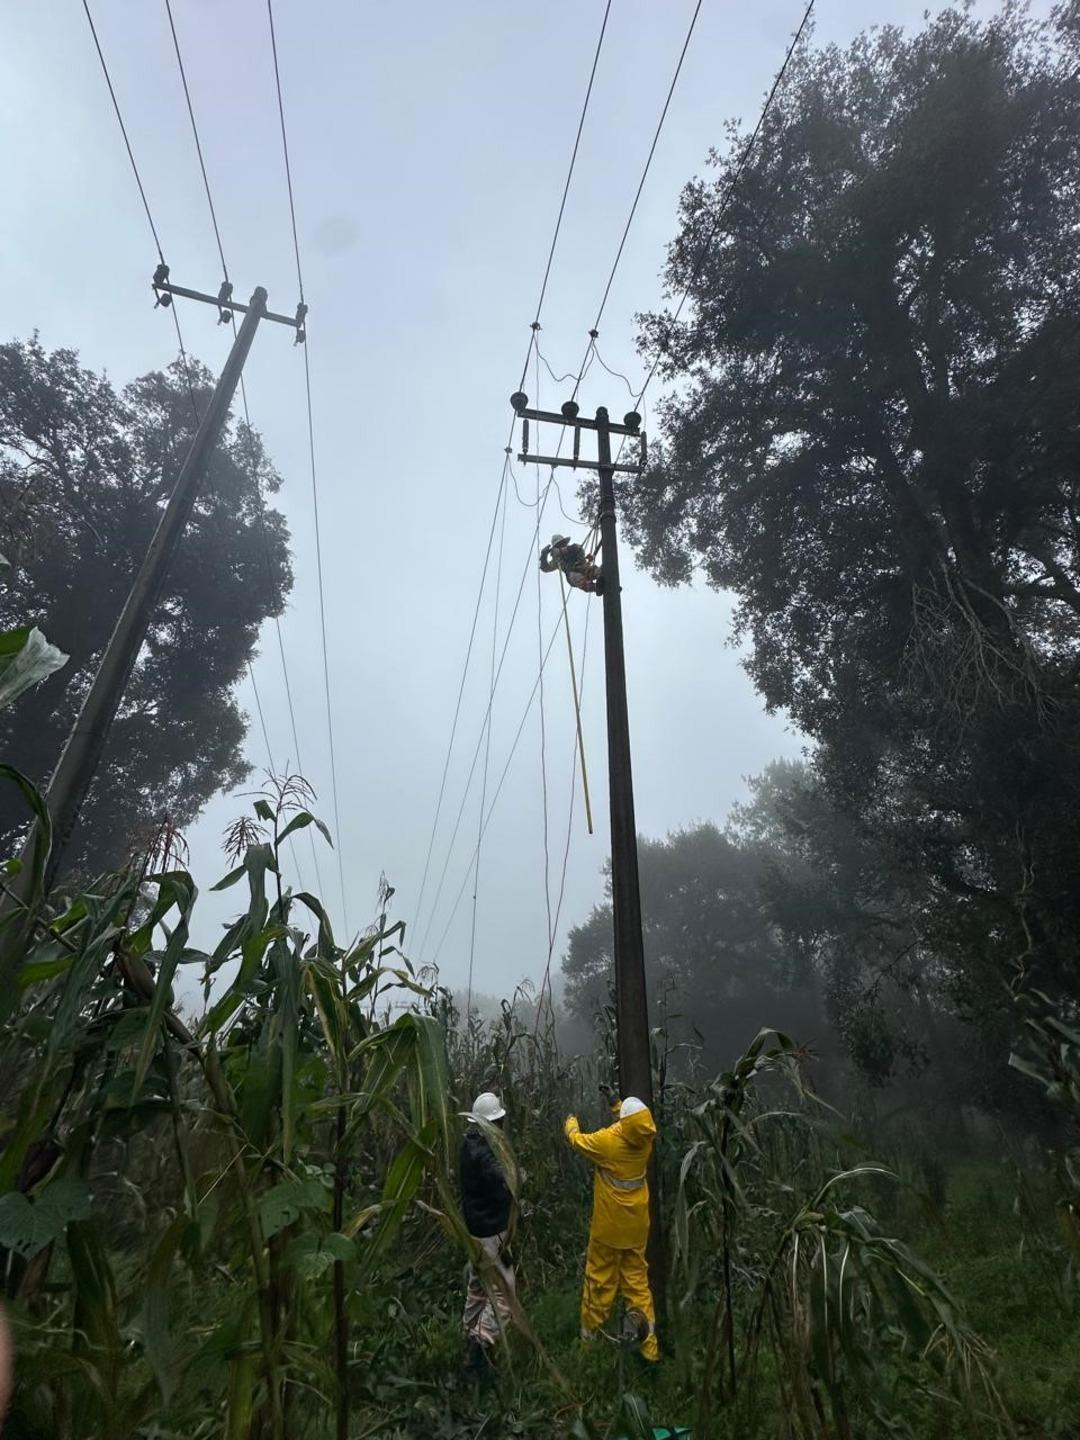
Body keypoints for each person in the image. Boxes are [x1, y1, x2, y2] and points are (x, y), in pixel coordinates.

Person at [564, 1094, 659, 1361]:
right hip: (636, 1227)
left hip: (609, 1229)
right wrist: (618, 1105)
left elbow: (577, 1140)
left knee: (599, 1281)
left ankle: (590, 1346)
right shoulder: (646, 1140)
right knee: (637, 1283)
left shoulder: (607, 1143)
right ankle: (649, 1349)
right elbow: (634, 1127)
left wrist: (570, 1121)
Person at [459, 1091, 516, 1378]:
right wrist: (516, 1179)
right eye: (498, 1122)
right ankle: (478, 1350)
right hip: (492, 1233)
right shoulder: (484, 1154)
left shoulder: (467, 1146)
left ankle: (469, 1332)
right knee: (504, 1296)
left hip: (474, 1232)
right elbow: (499, 1175)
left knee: (478, 1287)